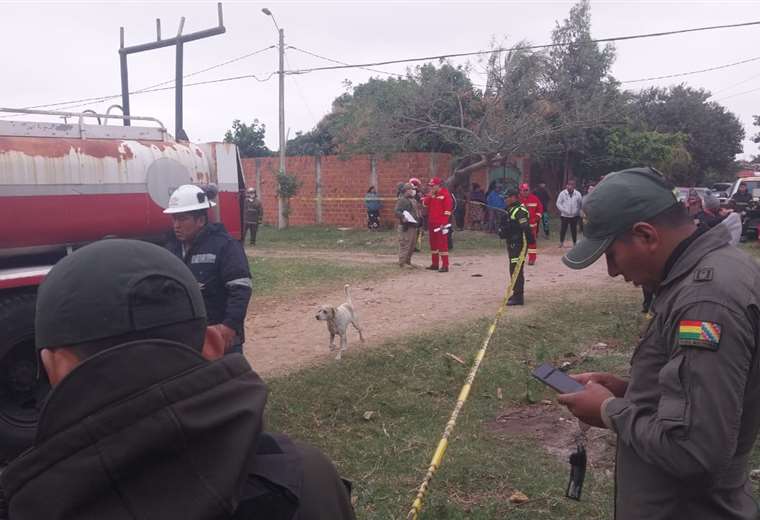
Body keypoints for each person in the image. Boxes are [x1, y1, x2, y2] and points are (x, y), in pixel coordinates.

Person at [0, 239, 356, 520]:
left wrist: (232, 318)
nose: (179, 223)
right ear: (212, 346)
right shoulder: (309, 479)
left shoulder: (25, 503)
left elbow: (238, 285)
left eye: (184, 217)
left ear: (53, 367)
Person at [558, 167, 760, 520]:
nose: (612, 272)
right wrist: (631, 391)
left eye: (611, 255)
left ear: (646, 236)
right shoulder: (709, 272)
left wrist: (610, 411)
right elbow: (705, 393)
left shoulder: (705, 303)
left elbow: (695, 452)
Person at [164, 184, 252, 355]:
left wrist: (229, 326)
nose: (176, 225)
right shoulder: (171, 249)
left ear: (201, 220)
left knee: (228, 380)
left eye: (183, 219)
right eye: (174, 219)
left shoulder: (225, 246)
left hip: (221, 336)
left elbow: (241, 288)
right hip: (187, 337)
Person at [498, 188, 533, 305]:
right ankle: (516, 293)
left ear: (513, 197)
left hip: (519, 245)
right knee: (513, 269)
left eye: (506, 197)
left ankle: (519, 297)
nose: (505, 200)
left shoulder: (520, 211)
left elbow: (525, 227)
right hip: (512, 244)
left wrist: (529, 241)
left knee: (516, 269)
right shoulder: (510, 209)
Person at [422, 177, 453, 272]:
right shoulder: (432, 195)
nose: (431, 188)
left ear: (438, 185)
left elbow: (447, 211)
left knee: (442, 244)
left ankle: (445, 265)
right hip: (432, 223)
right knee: (433, 244)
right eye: (430, 186)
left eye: (432, 186)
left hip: (441, 224)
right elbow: (425, 204)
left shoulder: (445, 195)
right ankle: (435, 264)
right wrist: (429, 195)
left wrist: (444, 223)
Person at [394, 182, 420, 267]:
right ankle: (402, 262)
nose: (413, 191)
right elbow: (397, 211)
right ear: (406, 190)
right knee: (405, 244)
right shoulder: (402, 200)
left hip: (413, 225)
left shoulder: (413, 199)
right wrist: (402, 217)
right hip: (406, 226)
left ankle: (408, 261)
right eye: (411, 189)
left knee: (412, 245)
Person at [518, 183, 543, 265]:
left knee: (532, 243)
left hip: (532, 226)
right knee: (520, 242)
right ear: (520, 191)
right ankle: (520, 258)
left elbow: (540, 210)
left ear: (529, 190)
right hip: (520, 226)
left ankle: (532, 259)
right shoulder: (517, 199)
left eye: (526, 190)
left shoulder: (535, 199)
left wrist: (536, 218)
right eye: (523, 190)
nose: (525, 192)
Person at [556, 179, 583, 247]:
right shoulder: (562, 193)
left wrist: (578, 211)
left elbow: (580, 204)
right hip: (565, 215)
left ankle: (574, 242)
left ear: (574, 186)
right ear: (566, 185)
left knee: (573, 229)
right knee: (563, 229)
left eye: (572, 185)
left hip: (574, 215)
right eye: (569, 185)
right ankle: (561, 242)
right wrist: (563, 210)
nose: (570, 186)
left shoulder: (578, 194)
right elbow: (558, 203)